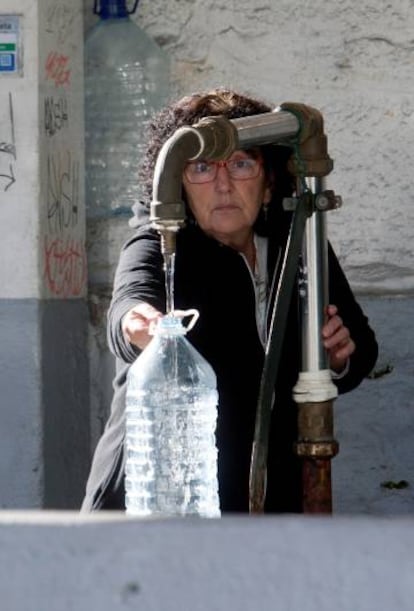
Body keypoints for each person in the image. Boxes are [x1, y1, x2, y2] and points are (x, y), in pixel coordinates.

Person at [81, 88, 378, 513]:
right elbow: (128, 308)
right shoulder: (158, 243)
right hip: (161, 499)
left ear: (270, 180)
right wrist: (140, 325)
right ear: (178, 185)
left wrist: (337, 359)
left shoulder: (297, 240)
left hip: (271, 498)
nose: (222, 185)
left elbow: (361, 348)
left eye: (241, 164)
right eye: (201, 168)